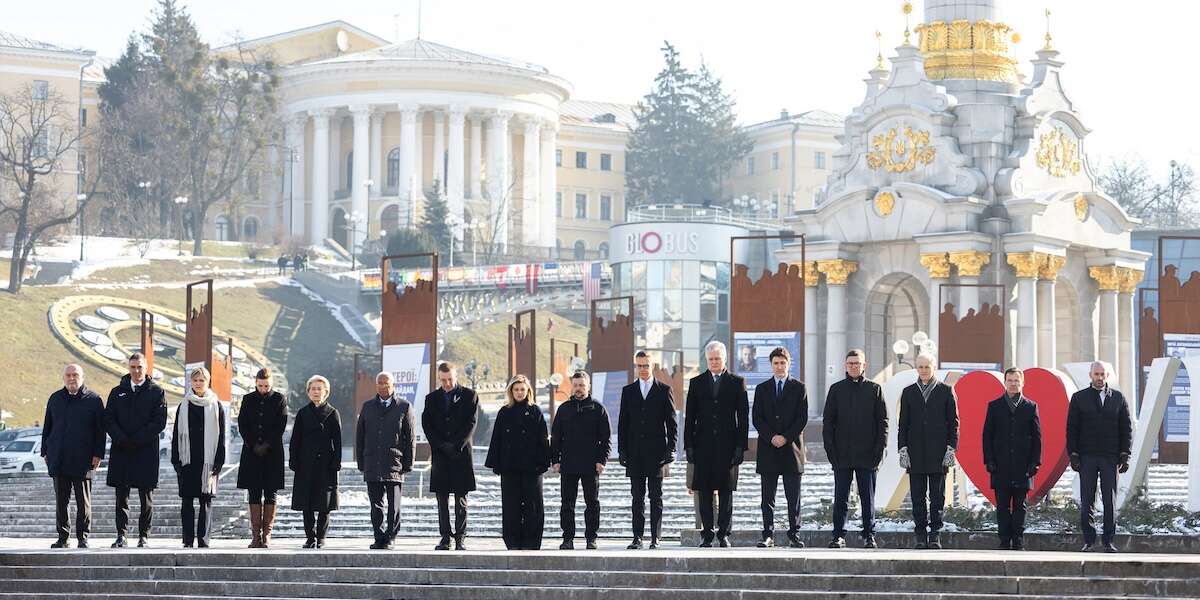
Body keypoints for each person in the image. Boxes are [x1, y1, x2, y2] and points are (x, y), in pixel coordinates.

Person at [684, 340, 749, 548]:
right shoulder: (696, 383)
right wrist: (689, 446)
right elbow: (689, 417)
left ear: (724, 359)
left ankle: (723, 534)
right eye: (710, 359)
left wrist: (741, 447)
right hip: (702, 445)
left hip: (727, 446)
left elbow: (743, 417)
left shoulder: (737, 382)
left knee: (726, 491)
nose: (714, 362)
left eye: (717, 359)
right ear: (706, 359)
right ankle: (707, 533)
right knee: (703, 491)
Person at [822, 349, 887, 549]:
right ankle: (838, 535)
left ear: (864, 365)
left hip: (868, 455)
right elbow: (828, 422)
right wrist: (830, 450)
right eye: (850, 363)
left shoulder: (874, 389)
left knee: (867, 498)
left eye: (857, 363)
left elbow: (882, 422)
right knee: (840, 497)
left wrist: (879, 449)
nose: (853, 366)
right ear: (845, 365)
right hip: (841, 455)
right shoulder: (836, 389)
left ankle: (869, 535)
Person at [1067, 361, 1133, 553]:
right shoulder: (1079, 398)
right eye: (1096, 374)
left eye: (1102, 374)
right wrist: (1073, 453)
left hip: (1110, 457)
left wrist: (1125, 454)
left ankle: (1108, 541)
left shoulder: (1118, 399)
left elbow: (1126, 429)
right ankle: (1089, 540)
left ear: (1107, 376)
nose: (1099, 377)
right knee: (1087, 499)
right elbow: (1072, 428)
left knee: (1109, 500)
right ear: (1090, 375)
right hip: (1086, 456)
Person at [103, 352, 167, 548]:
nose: (136, 371)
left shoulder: (157, 392)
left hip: (146, 451)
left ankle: (143, 536)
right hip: (122, 450)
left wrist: (138, 439)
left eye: (140, 367)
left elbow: (159, 422)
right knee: (121, 496)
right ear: (128, 368)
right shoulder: (116, 392)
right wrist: (122, 438)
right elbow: (109, 419)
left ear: (146, 368)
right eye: (133, 367)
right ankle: (121, 536)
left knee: (145, 496)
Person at [897, 353, 959, 550]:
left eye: (927, 366)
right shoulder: (908, 392)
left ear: (933, 368)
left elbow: (954, 424)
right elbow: (903, 424)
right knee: (917, 496)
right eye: (920, 367)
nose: (923, 370)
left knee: (937, 497)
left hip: (938, 453)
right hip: (915, 454)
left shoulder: (946, 391)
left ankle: (935, 535)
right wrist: (902, 449)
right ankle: (920, 535)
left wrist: (951, 448)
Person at [618, 351, 677, 549]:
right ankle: (637, 537)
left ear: (652, 366)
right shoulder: (628, 391)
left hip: (657, 453)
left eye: (646, 365)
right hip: (635, 454)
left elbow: (672, 423)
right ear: (636, 366)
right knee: (637, 497)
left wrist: (672, 449)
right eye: (639, 365)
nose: (642, 369)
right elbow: (622, 423)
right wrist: (622, 451)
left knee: (656, 496)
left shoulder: (664, 390)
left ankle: (655, 537)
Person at [42, 364, 105, 549]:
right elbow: (48, 427)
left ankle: (83, 537)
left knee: (82, 502)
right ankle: (63, 537)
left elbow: (100, 432)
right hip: (59, 458)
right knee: (61, 501)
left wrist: (98, 454)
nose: (71, 378)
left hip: (83, 460)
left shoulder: (94, 400)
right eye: (68, 375)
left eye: (75, 374)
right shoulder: (55, 398)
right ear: (63, 378)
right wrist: (45, 451)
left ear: (82, 376)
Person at [751, 346, 808, 549]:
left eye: (783, 362)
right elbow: (757, 417)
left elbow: (802, 418)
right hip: (768, 449)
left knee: (793, 497)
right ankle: (768, 534)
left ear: (788, 363)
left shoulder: (799, 387)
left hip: (791, 450)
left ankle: (794, 534)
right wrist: (772, 436)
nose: (779, 366)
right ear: (771, 365)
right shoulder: (762, 389)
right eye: (776, 363)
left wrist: (785, 437)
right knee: (768, 498)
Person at [484, 375, 550, 550]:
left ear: (528, 391)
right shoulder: (504, 412)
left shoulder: (535, 411)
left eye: (522, 389)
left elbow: (543, 439)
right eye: (516, 389)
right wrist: (495, 463)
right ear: (511, 391)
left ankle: (532, 542)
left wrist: (544, 462)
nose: (519, 393)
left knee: (533, 506)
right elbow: (497, 439)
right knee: (511, 506)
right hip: (510, 467)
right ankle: (512, 542)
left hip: (532, 468)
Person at [982, 368, 1042, 551]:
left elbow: (1037, 437)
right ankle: (1004, 540)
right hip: (1000, 465)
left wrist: (1035, 462)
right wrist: (989, 460)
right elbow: (987, 435)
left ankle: (1018, 540)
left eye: (1017, 380)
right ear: (1005, 382)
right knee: (1002, 505)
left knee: (1020, 505)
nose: (1013, 383)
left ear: (1022, 383)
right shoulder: (994, 406)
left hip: (1023, 465)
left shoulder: (1030, 406)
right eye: (1010, 380)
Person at [551, 371, 611, 550]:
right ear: (572, 386)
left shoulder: (598, 409)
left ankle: (591, 538)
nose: (579, 389)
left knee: (592, 503)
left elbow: (605, 438)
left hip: (590, 464)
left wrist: (602, 461)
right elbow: (556, 437)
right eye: (576, 385)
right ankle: (567, 538)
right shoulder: (564, 409)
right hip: (568, 463)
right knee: (567, 503)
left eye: (582, 385)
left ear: (588, 386)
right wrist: (556, 460)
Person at [422, 362, 479, 551]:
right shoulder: (431, 398)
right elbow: (427, 424)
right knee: (442, 499)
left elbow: (471, 423)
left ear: (456, 377)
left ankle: (460, 537)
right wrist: (440, 445)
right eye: (443, 380)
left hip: (461, 454)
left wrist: (456, 444)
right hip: (440, 455)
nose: (446, 383)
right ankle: (445, 537)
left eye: (450, 380)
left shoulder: (470, 396)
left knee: (461, 500)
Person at [355, 371, 415, 550]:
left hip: (394, 463)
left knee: (393, 505)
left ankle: (391, 536)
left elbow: (409, 438)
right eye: (380, 383)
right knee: (376, 504)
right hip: (372, 462)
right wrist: (361, 463)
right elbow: (360, 436)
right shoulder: (367, 407)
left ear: (393, 385)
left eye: (386, 383)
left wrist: (408, 463)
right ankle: (378, 536)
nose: (383, 386)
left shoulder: (404, 406)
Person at [170, 366, 227, 549]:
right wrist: (176, 461)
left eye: (201, 380)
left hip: (207, 461)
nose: (198, 383)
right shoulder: (183, 405)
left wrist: (219, 460)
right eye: (195, 380)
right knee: (187, 501)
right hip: (187, 460)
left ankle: (204, 540)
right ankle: (187, 540)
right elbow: (176, 434)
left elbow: (222, 436)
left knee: (206, 501)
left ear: (207, 382)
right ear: (190, 382)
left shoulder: (216, 405)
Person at [236, 367, 288, 548]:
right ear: (255, 383)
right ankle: (255, 536)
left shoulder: (279, 399)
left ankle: (267, 535)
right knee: (254, 492)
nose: (263, 389)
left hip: (272, 453)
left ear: (271, 383)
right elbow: (242, 424)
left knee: (271, 492)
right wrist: (253, 444)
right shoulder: (247, 399)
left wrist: (266, 445)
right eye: (260, 385)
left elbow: (280, 425)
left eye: (266, 385)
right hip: (251, 453)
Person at [291, 375, 342, 549]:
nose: (316, 391)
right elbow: (295, 439)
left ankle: (321, 537)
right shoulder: (303, 413)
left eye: (320, 388)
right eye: (313, 388)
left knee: (324, 503)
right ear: (308, 391)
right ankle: (309, 536)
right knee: (307, 502)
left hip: (326, 464)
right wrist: (294, 459)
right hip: (306, 463)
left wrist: (336, 461)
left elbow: (338, 441)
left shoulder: (333, 413)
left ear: (326, 392)